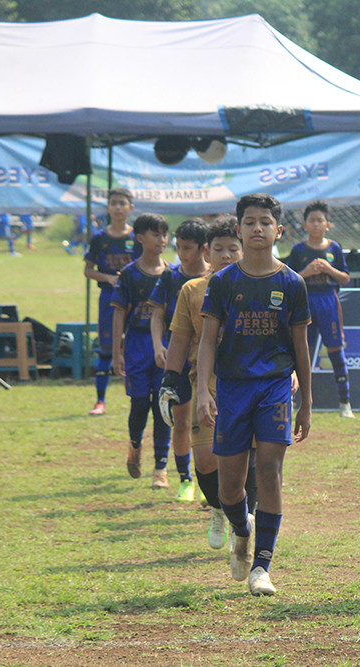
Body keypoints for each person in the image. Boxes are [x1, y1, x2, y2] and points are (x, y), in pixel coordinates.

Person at [197, 193, 312, 597]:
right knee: (230, 487)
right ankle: (241, 528)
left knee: (269, 470)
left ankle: (261, 567)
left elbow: (301, 347)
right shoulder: (224, 282)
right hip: (231, 390)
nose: (257, 228)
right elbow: (208, 339)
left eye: (265, 221)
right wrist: (202, 392)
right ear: (239, 228)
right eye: (249, 221)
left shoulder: (292, 283)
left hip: (275, 387)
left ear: (278, 230)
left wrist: (307, 404)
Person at [159, 217, 252, 550]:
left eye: (232, 248)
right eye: (219, 249)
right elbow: (181, 339)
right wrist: (169, 381)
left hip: (249, 383)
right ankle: (218, 508)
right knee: (206, 460)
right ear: (207, 252)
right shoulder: (192, 290)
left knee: (248, 457)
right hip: (205, 385)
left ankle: (243, 520)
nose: (226, 255)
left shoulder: (258, 285)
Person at [149, 218, 210, 502]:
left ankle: (212, 481)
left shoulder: (215, 279)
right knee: (182, 420)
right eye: (178, 247)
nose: (181, 253)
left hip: (206, 362)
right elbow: (158, 314)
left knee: (211, 422)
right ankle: (186, 480)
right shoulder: (170, 277)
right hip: (178, 360)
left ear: (203, 249)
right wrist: (159, 346)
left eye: (187, 247)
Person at [110, 213, 171, 488]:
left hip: (165, 346)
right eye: (156, 234)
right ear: (140, 238)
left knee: (163, 407)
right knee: (139, 405)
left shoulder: (172, 273)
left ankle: (161, 468)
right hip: (136, 345)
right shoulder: (130, 275)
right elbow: (119, 315)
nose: (162, 239)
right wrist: (116, 352)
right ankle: (135, 446)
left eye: (164, 234)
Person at [284, 201, 354, 418]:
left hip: (328, 302)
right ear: (305, 225)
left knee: (335, 350)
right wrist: (306, 271)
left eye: (320, 220)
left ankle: (345, 404)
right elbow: (289, 280)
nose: (316, 224)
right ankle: (294, 401)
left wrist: (328, 269)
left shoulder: (334, 248)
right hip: (306, 301)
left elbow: (345, 277)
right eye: (312, 221)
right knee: (301, 350)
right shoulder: (298, 250)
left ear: (327, 224)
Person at [84, 188, 141, 416]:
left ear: (130, 208)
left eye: (122, 203)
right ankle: (100, 400)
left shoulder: (137, 237)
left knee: (136, 347)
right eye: (114, 203)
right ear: (107, 208)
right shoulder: (99, 238)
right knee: (107, 350)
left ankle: (137, 397)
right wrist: (107, 277)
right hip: (109, 298)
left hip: (135, 298)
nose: (118, 207)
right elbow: (88, 270)